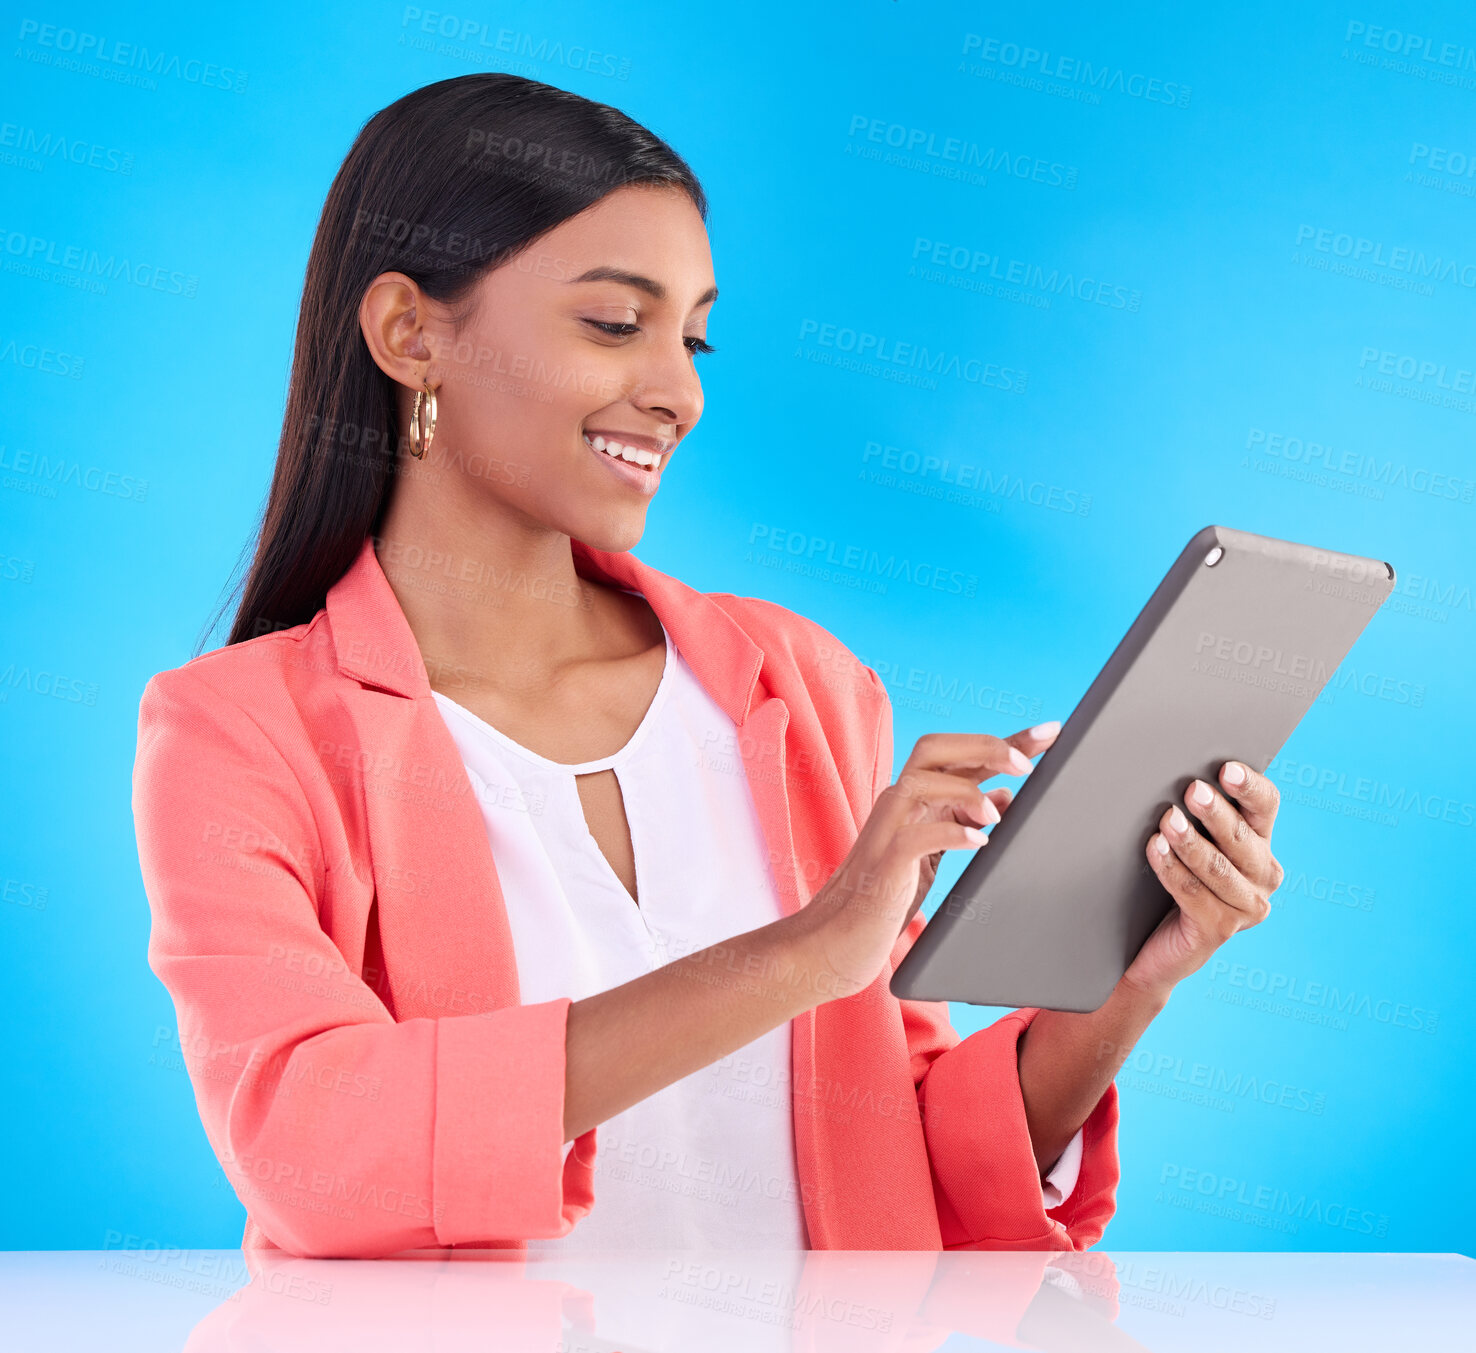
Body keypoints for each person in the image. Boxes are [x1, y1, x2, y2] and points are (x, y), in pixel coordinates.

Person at [132, 73, 1283, 1260]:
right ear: (409, 333)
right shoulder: (238, 733)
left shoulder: (806, 686)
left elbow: (903, 1167)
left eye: (694, 335)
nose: (678, 393)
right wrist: (805, 953)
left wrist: (1129, 981)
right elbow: (309, 1150)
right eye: (614, 324)